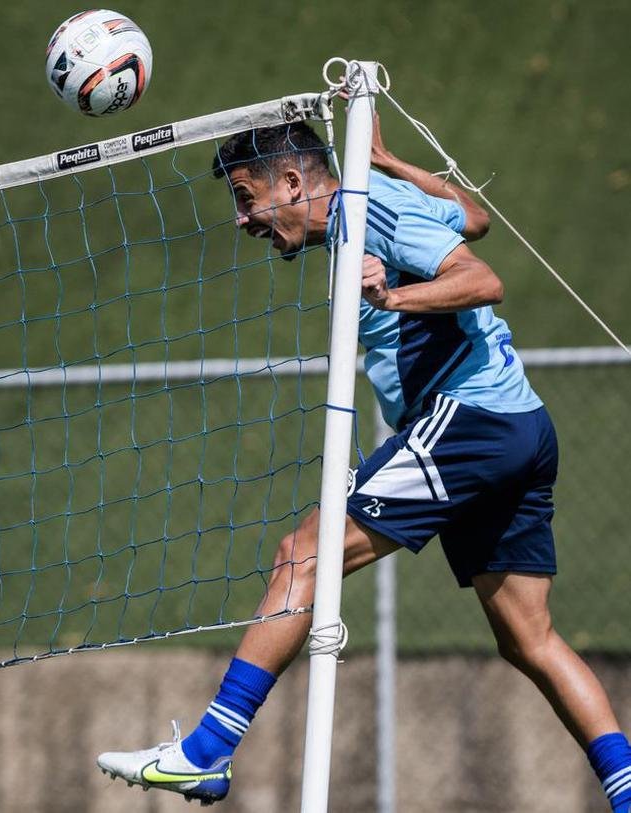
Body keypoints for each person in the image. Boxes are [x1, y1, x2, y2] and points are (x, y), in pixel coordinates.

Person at [97, 114, 631, 811]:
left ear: (292, 181)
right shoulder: (377, 189)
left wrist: (390, 296)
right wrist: (390, 158)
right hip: (520, 424)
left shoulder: (364, 211)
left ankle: (206, 751)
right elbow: (473, 216)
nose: (242, 219)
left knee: (302, 555)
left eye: (246, 196)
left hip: (467, 420)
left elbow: (482, 277)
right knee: (530, 639)